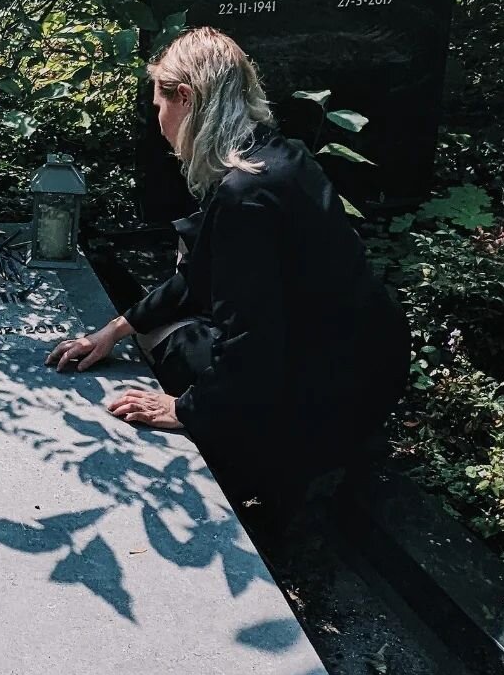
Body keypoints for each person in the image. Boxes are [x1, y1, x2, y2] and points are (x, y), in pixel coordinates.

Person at [48, 26, 409, 527]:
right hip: (370, 367)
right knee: (155, 328)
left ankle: (285, 467)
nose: (159, 123)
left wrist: (188, 411)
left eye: (159, 107)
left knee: (172, 342)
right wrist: (112, 330)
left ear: (187, 99)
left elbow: (253, 339)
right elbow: (198, 277)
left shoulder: (246, 196)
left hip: (328, 394)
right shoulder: (278, 158)